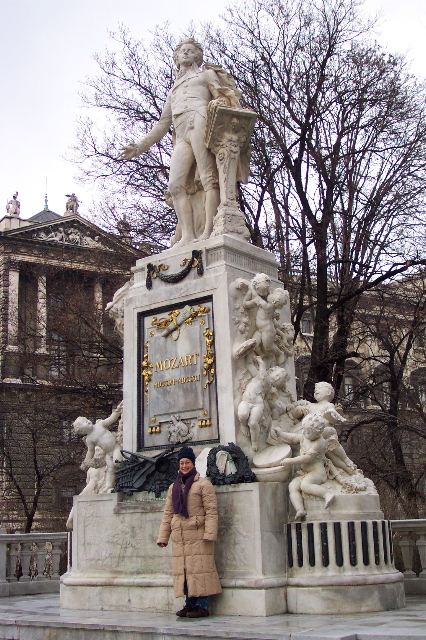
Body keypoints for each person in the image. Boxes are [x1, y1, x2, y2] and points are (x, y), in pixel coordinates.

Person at [120, 38, 243, 246]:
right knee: (175, 185)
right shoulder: (173, 90)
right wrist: (140, 146)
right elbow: (162, 125)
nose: (185, 54)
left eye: (190, 51)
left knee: (208, 177)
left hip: (200, 121)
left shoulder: (206, 74)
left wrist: (221, 103)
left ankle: (208, 232)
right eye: (182, 51)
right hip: (181, 131)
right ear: (176, 59)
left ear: (198, 55)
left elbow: (222, 97)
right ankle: (187, 235)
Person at [157, 446, 221, 618]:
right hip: (181, 537)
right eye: (181, 463)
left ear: (193, 464)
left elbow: (211, 511)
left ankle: (203, 605)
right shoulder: (173, 487)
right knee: (185, 571)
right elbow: (168, 513)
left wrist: (210, 533)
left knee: (201, 570)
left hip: (198, 533)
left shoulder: (203, 485)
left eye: (187, 463)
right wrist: (163, 537)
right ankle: (189, 603)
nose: (184, 466)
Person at [278, 414, 335, 521]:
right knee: (293, 486)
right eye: (304, 430)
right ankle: (300, 509)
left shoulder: (319, 443)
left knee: (305, 485)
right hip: (304, 473)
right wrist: (281, 434)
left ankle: (326, 494)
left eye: (308, 432)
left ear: (317, 433)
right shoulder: (305, 436)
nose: (304, 433)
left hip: (317, 473)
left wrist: (290, 461)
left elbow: (307, 458)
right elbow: (294, 437)